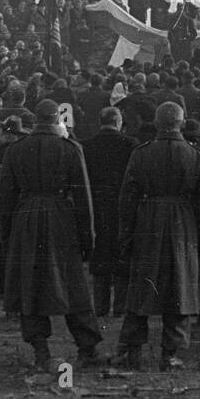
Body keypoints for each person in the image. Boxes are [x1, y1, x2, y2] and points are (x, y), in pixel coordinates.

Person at [0, 99, 102, 371]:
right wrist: (88, 236)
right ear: (58, 119)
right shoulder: (70, 148)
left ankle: (41, 350)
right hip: (61, 218)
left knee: (30, 284)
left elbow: (5, 196)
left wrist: (6, 234)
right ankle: (86, 348)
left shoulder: (16, 149)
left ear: (35, 120)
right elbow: (83, 196)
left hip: (26, 218)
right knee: (72, 283)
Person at [115, 102, 200, 371]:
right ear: (181, 123)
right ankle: (170, 353)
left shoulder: (140, 154)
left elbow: (127, 199)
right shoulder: (197, 156)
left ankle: (131, 350)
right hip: (184, 225)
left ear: (157, 123)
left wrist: (126, 235)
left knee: (141, 287)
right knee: (180, 286)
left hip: (148, 222)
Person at [82, 107, 138, 317]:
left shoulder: (87, 146)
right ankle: (120, 306)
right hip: (123, 206)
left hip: (96, 206)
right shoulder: (130, 144)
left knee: (100, 256)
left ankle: (100, 306)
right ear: (119, 123)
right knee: (122, 254)